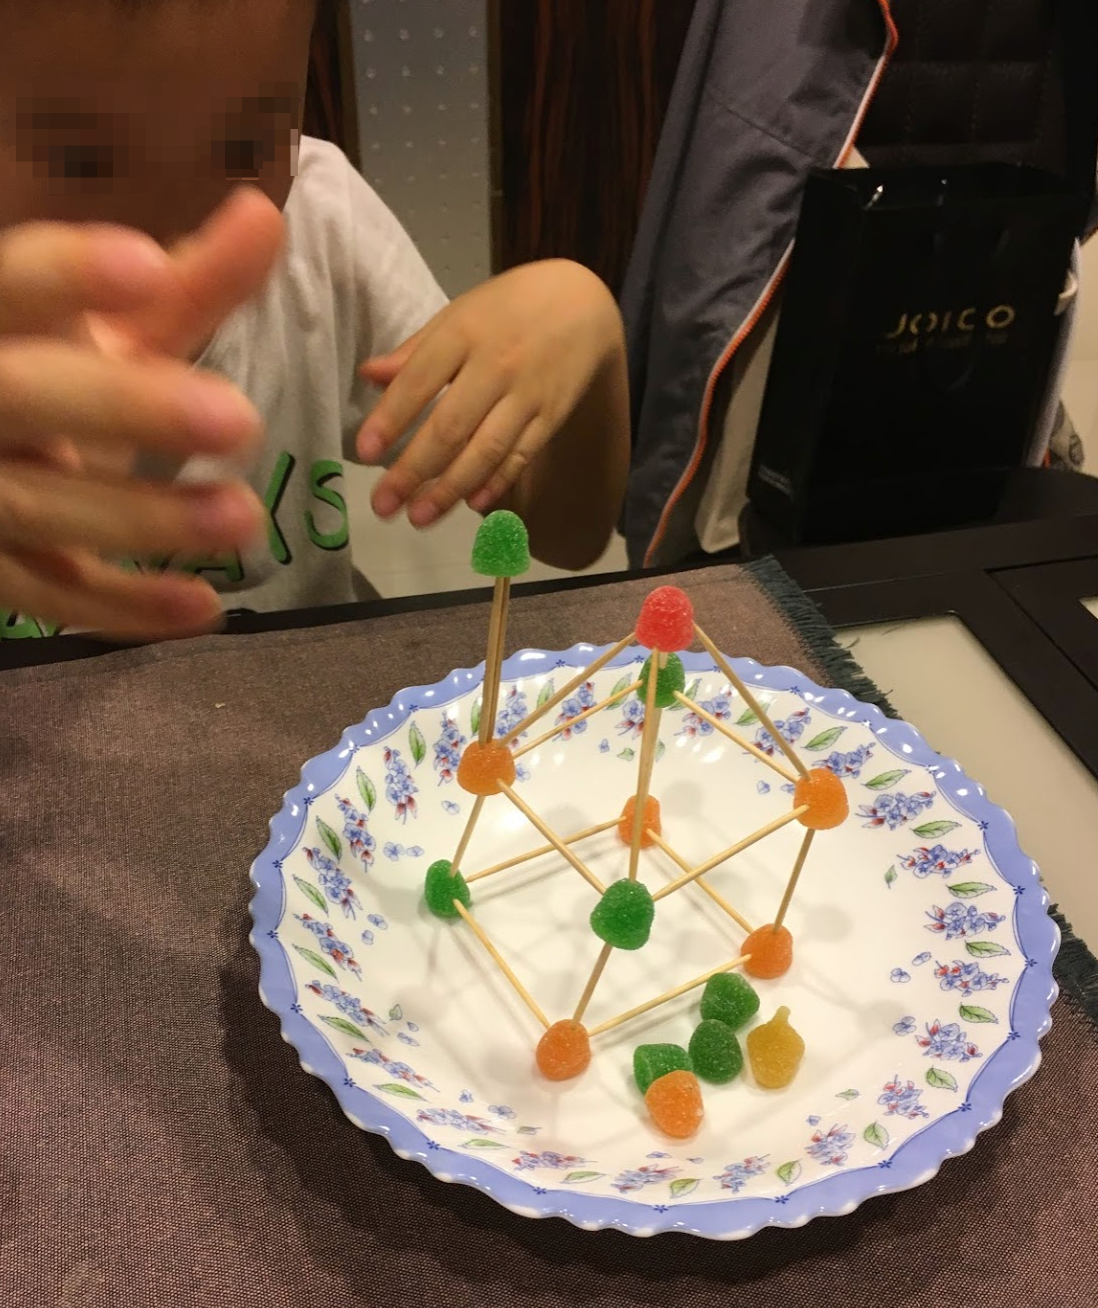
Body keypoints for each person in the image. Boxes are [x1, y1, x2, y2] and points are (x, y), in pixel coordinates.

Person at [0, 0, 630, 641]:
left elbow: (566, 535)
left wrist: (592, 335)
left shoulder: (324, 223)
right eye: (79, 158)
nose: (184, 218)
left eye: (248, 143)